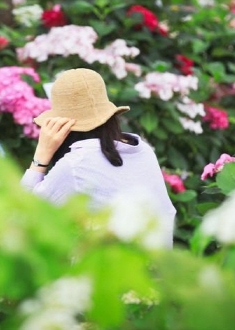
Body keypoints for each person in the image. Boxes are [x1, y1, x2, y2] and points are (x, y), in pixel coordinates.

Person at [20, 68, 177, 248]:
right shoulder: (143, 151)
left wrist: (41, 155)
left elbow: (24, 215)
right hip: (156, 261)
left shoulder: (75, 164)